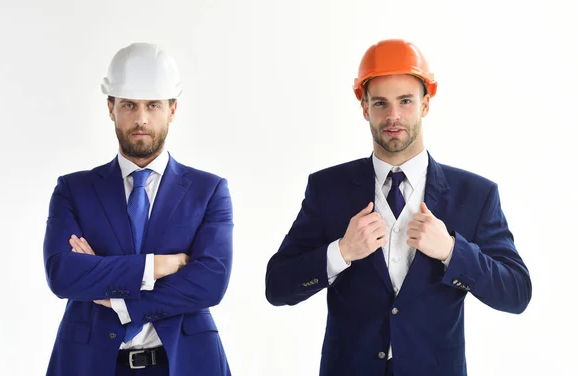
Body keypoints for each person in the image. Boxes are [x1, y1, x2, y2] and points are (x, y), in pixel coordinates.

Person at [265, 39, 532, 376]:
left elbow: (516, 292)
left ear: (425, 104)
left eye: (405, 101)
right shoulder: (327, 189)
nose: (393, 116)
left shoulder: (475, 195)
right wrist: (342, 251)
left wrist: (452, 251)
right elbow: (277, 286)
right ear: (364, 108)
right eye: (380, 103)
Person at [43, 42, 233, 376]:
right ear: (111, 107)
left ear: (172, 110)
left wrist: (118, 296)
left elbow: (210, 283)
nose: (141, 118)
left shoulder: (209, 190)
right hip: (90, 363)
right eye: (129, 105)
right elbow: (63, 275)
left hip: (183, 362)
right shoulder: (73, 190)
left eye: (153, 105)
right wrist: (157, 266)